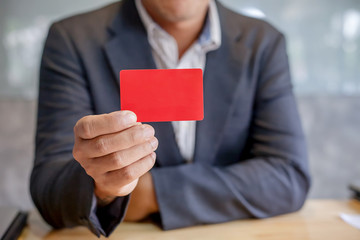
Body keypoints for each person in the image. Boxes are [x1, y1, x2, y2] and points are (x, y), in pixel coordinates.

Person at [30, 0, 311, 237]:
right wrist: (103, 189)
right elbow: (49, 188)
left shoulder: (263, 41)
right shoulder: (74, 39)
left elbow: (288, 176)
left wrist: (153, 192)